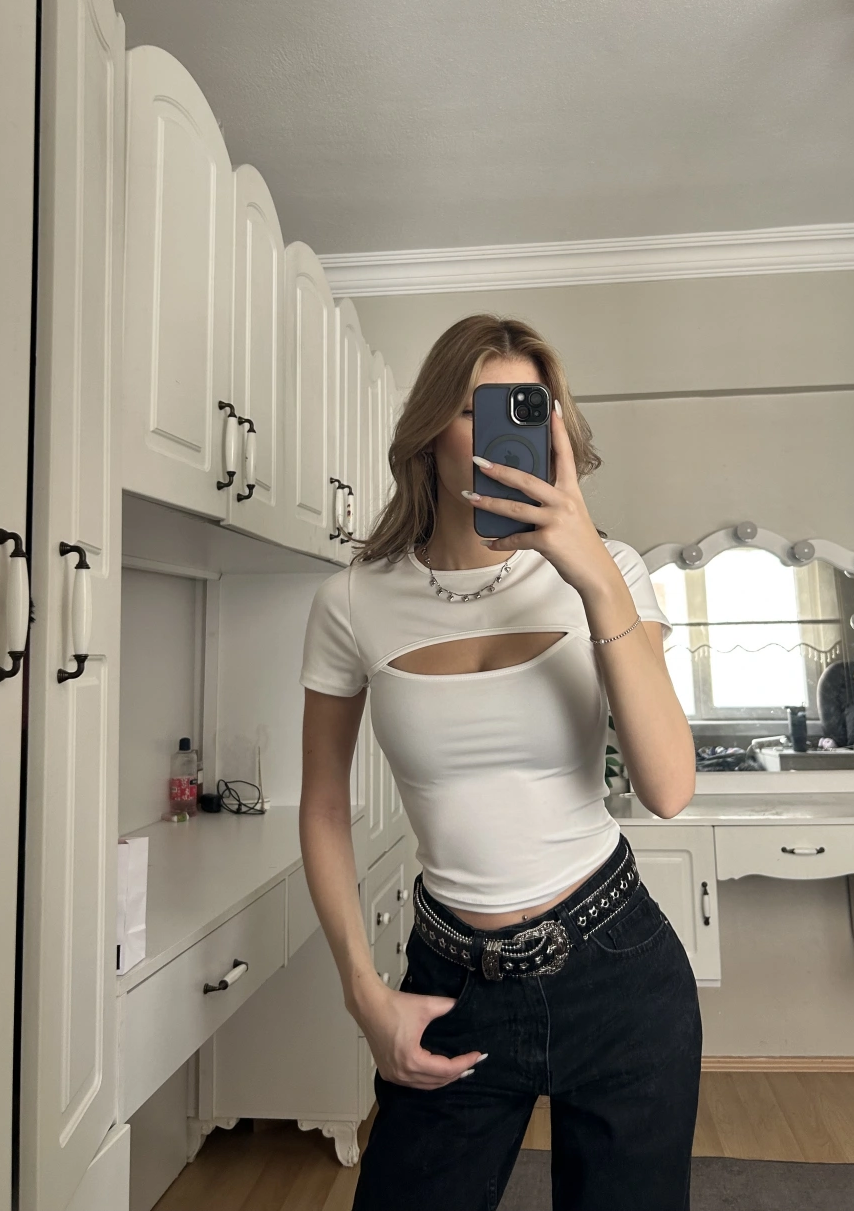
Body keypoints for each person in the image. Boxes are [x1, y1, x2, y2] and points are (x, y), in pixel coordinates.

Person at [298, 313, 702, 1210]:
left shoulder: (609, 569)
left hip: (618, 966)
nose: (503, 434)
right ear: (429, 431)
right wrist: (363, 991)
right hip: (451, 980)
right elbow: (322, 805)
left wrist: (592, 574)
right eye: (478, 409)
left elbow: (669, 787)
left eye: (529, 408)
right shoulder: (352, 601)